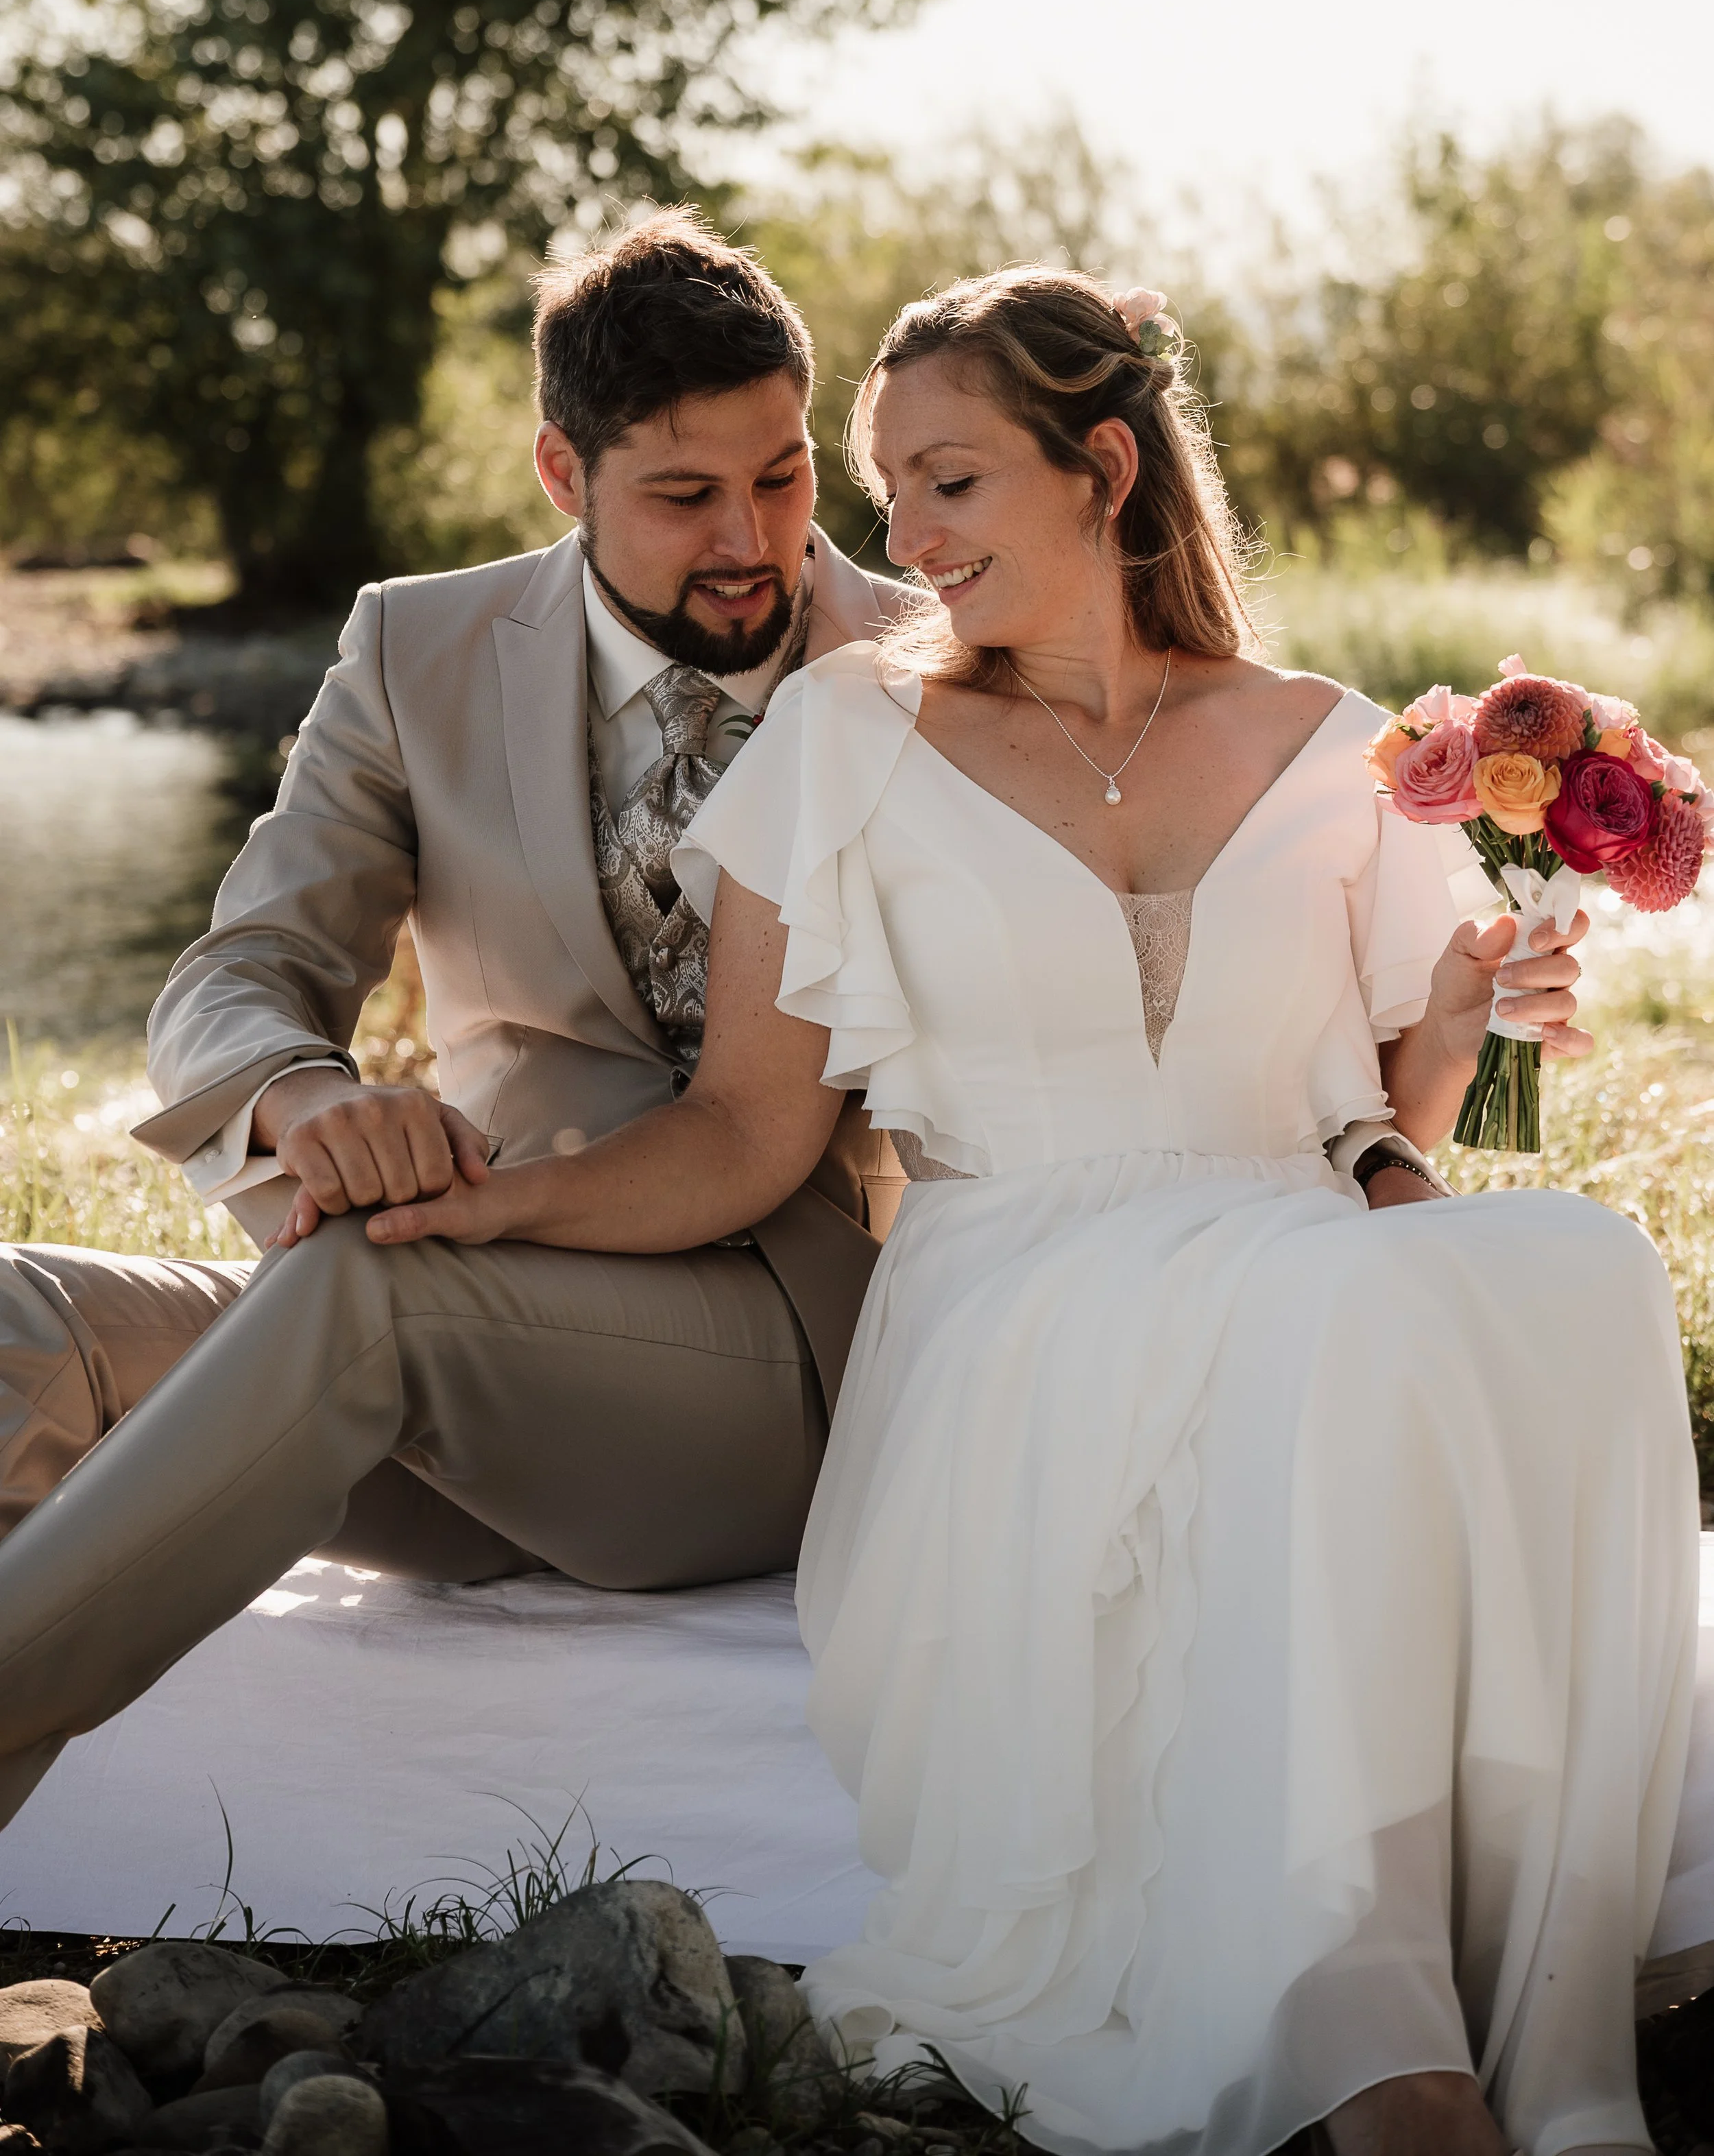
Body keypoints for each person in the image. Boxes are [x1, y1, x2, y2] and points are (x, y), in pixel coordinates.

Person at [244, 269, 1698, 2156]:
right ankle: (1379, 2051)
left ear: (1100, 467)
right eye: (884, 489)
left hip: (1297, 1259)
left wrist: (1464, 1022)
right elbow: (742, 1133)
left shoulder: (1340, 742)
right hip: (1021, 1290)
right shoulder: (847, 738)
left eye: (942, 485)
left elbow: (1375, 1124)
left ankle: (1451, 2007)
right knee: (1352, 1313)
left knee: (1570, 1259)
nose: (893, 542)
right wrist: (480, 1209)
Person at [0, 210, 919, 1823]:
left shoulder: (938, 666)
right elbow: (239, 974)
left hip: (800, 1364)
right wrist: (301, 1098)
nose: (753, 542)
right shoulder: (412, 648)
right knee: (18, 1316)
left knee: (363, 1293)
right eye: (684, 494)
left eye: (783, 478)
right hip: (470, 1348)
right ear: (562, 477)